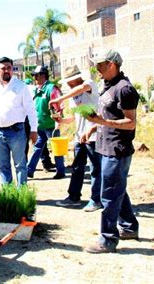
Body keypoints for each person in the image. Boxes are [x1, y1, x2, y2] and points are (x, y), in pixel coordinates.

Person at [84, 50, 140, 253]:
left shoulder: (124, 89)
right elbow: (107, 114)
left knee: (108, 195)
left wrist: (103, 122)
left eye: (99, 64)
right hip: (105, 146)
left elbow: (131, 123)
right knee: (117, 190)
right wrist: (94, 126)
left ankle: (107, 240)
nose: (96, 68)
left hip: (118, 149)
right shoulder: (108, 86)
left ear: (111, 64)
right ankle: (129, 227)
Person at [51, 65, 102, 212]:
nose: (67, 84)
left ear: (76, 79)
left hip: (93, 135)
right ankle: (73, 196)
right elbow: (74, 117)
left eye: (69, 81)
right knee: (77, 167)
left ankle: (96, 199)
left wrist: (60, 99)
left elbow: (81, 88)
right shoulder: (73, 96)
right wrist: (61, 120)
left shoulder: (89, 85)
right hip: (80, 136)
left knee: (95, 169)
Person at [0, 57, 38, 185]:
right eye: (3, 68)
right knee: (3, 166)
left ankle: (21, 194)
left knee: (20, 165)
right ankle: (8, 194)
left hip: (17, 132)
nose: (6, 70)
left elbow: (31, 109)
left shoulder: (20, 86)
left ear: (12, 69)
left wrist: (34, 129)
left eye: (9, 68)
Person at [26, 66, 65, 180]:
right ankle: (29, 170)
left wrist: (58, 122)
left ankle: (60, 171)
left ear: (43, 75)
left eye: (36, 75)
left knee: (56, 148)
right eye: (34, 76)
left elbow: (59, 106)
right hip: (40, 125)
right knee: (37, 147)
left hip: (51, 126)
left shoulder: (51, 89)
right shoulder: (38, 89)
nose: (34, 78)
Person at [23, 77, 55, 171]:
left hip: (24, 119)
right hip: (36, 118)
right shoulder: (35, 88)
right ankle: (46, 163)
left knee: (26, 144)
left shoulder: (21, 89)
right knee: (41, 142)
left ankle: (25, 166)